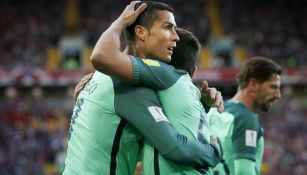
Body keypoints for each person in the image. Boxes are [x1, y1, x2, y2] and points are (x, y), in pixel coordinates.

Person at [63, 2, 221, 175]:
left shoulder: (103, 76)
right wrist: (212, 153)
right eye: (168, 27)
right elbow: (174, 146)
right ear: (141, 33)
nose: (175, 37)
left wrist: (202, 105)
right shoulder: (128, 84)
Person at [208, 57, 282, 175]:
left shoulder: (213, 111)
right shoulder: (246, 119)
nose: (278, 95)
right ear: (253, 84)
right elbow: (244, 172)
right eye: (273, 87)